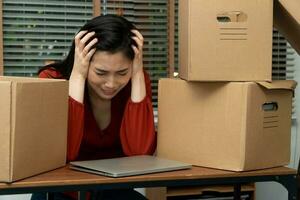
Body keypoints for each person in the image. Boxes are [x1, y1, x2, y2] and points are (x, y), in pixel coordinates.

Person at [31, 14, 156, 200]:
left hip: (113, 191)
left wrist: (137, 74)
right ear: (83, 61)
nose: (111, 84)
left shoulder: (135, 83)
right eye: (101, 72)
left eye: (122, 72)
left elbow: (139, 155)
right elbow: (65, 154)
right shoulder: (51, 80)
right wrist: (78, 77)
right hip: (60, 192)